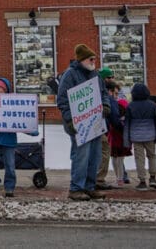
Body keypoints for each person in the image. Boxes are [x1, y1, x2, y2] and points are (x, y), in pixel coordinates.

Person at [56, 44, 110, 201]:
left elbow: (103, 93)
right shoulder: (70, 75)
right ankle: (76, 188)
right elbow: (62, 100)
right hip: (78, 124)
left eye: (94, 58)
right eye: (90, 58)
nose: (94, 61)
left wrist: (105, 105)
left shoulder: (95, 75)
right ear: (82, 60)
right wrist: (69, 120)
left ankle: (89, 186)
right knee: (82, 156)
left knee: (95, 156)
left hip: (94, 123)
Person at [0, 77, 38, 198]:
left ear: (6, 90)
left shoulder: (12, 105)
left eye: (0, 87)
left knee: (10, 165)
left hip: (8, 139)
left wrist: (30, 130)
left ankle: (9, 188)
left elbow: (19, 119)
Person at [123, 82, 156, 191]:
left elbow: (127, 124)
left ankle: (142, 181)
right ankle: (153, 178)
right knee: (152, 156)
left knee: (139, 158)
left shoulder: (130, 106)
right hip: (150, 135)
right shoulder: (152, 105)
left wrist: (126, 141)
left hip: (136, 137)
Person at [105, 81, 132, 187]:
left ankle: (119, 178)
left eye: (117, 94)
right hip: (116, 135)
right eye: (115, 93)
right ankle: (119, 178)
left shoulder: (118, 103)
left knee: (117, 158)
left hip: (115, 135)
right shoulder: (117, 103)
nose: (116, 96)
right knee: (117, 158)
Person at [94, 68, 116, 190]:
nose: (111, 79)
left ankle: (96, 178)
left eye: (112, 77)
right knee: (104, 152)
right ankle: (99, 179)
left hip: (102, 127)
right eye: (109, 77)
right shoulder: (102, 92)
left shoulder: (104, 91)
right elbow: (112, 113)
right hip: (98, 127)